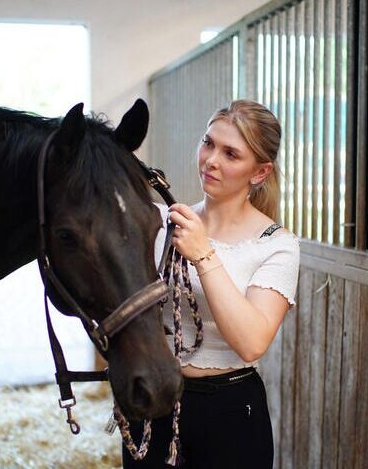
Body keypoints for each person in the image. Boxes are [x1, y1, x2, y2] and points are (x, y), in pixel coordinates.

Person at [122, 100, 300, 468]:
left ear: (260, 172)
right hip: (155, 398)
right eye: (208, 143)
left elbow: (252, 343)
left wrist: (203, 255)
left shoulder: (276, 244)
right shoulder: (161, 223)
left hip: (231, 411)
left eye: (231, 154)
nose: (211, 160)